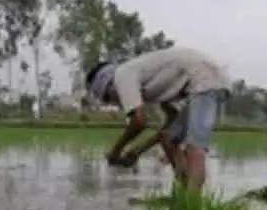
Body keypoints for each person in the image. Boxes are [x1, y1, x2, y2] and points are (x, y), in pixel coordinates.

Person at [85, 46, 231, 191]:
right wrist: (138, 151)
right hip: (201, 78)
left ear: (109, 86)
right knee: (168, 137)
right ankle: (182, 192)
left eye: (108, 98)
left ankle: (192, 209)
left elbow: (139, 121)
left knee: (194, 148)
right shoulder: (155, 83)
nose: (115, 102)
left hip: (205, 78)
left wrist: (115, 151)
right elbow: (170, 122)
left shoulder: (121, 75)